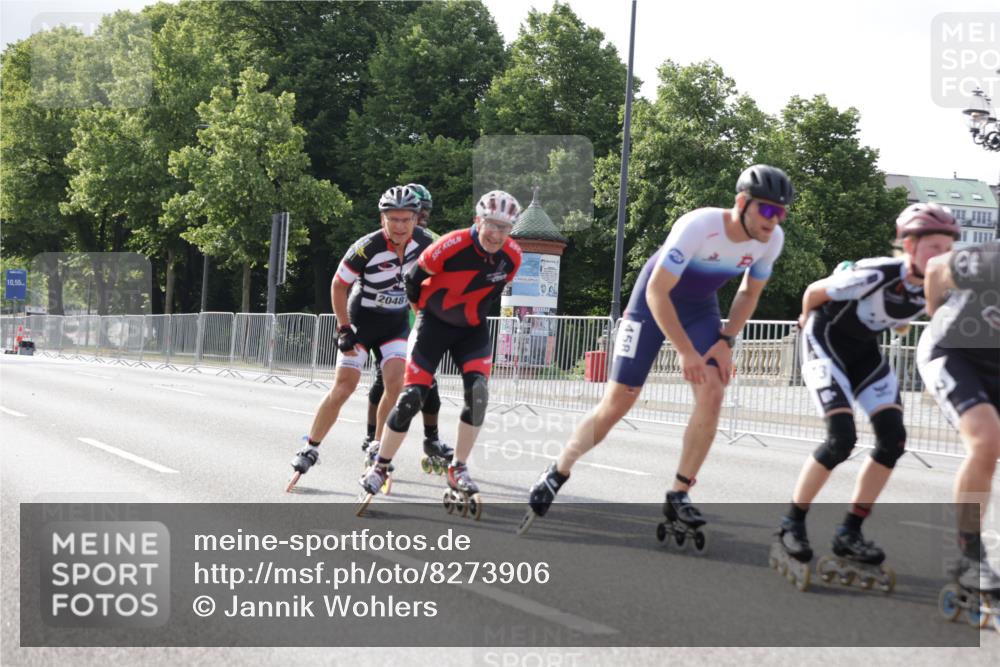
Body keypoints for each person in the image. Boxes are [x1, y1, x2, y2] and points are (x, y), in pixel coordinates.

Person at [520, 165, 792, 535]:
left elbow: (748, 293)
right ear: (742, 203)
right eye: (768, 210)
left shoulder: (770, 241)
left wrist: (727, 339)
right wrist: (685, 351)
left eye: (782, 213)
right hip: (652, 301)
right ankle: (559, 470)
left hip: (699, 307)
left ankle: (679, 493)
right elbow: (657, 292)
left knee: (713, 390)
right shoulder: (699, 226)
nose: (774, 220)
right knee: (620, 401)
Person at [773, 202, 958, 589]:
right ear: (908, 247)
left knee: (893, 440)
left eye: (947, 247)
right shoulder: (876, 271)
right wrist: (807, 319)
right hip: (824, 342)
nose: (942, 256)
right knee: (842, 438)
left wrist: (904, 323)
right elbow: (813, 291)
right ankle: (791, 522)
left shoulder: (940, 284)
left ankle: (849, 532)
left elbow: (913, 315)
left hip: (864, 354)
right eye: (933, 247)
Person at [355, 190, 524, 517]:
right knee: (411, 398)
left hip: (472, 329)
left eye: (504, 228)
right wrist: (422, 314)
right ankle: (381, 465)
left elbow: (493, 293)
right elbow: (412, 280)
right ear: (478, 220)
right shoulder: (451, 243)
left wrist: (470, 317)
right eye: (491, 225)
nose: (496, 234)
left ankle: (458, 467)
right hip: (433, 323)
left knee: (478, 395)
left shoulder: (513, 257)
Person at [286, 186, 434, 491]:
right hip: (361, 321)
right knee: (344, 386)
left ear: (416, 219)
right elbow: (338, 285)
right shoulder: (366, 247)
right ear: (383, 219)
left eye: (407, 219)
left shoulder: (426, 242)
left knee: (396, 384)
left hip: (394, 324)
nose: (401, 226)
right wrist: (343, 328)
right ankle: (310, 446)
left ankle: (377, 447)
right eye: (393, 219)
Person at [917, 239, 1000, 597]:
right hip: (952, 352)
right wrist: (936, 315)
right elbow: (935, 268)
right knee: (986, 440)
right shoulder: (990, 261)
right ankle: (968, 554)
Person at [363, 184, 453, 472]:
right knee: (384, 381)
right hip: (393, 321)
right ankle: (371, 438)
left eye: (424, 213)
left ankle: (432, 439)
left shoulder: (432, 241)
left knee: (429, 384)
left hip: (422, 320)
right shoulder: (388, 237)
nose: (421, 218)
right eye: (419, 212)